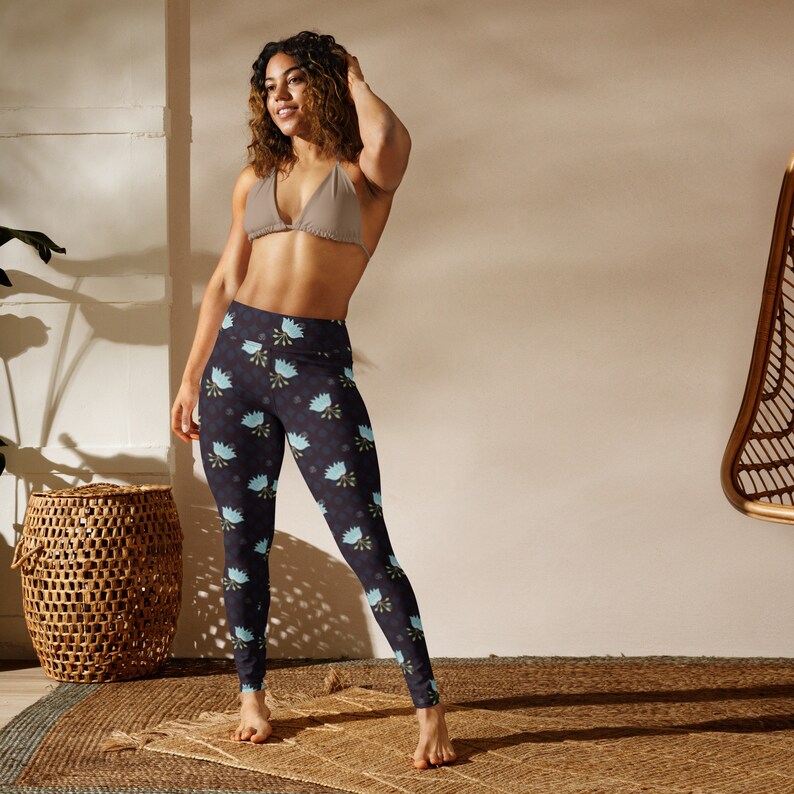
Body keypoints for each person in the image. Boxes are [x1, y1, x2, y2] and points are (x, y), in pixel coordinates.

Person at [170, 31, 456, 769]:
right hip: (236, 365)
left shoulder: (366, 174)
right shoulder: (253, 178)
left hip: (314, 366)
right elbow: (225, 283)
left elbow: (391, 135)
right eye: (270, 86)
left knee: (364, 539)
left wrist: (356, 77)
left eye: (297, 81)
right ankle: (253, 697)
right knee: (244, 542)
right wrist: (192, 375)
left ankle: (427, 708)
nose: (282, 96)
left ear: (327, 84)